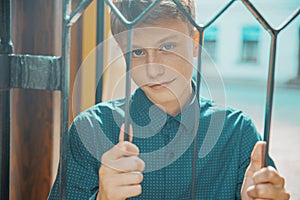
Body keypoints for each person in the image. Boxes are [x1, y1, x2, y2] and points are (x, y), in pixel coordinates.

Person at [49, 0, 290, 199]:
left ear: (195, 42)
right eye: (138, 52)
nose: (153, 70)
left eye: (167, 46)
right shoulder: (90, 129)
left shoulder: (237, 133)